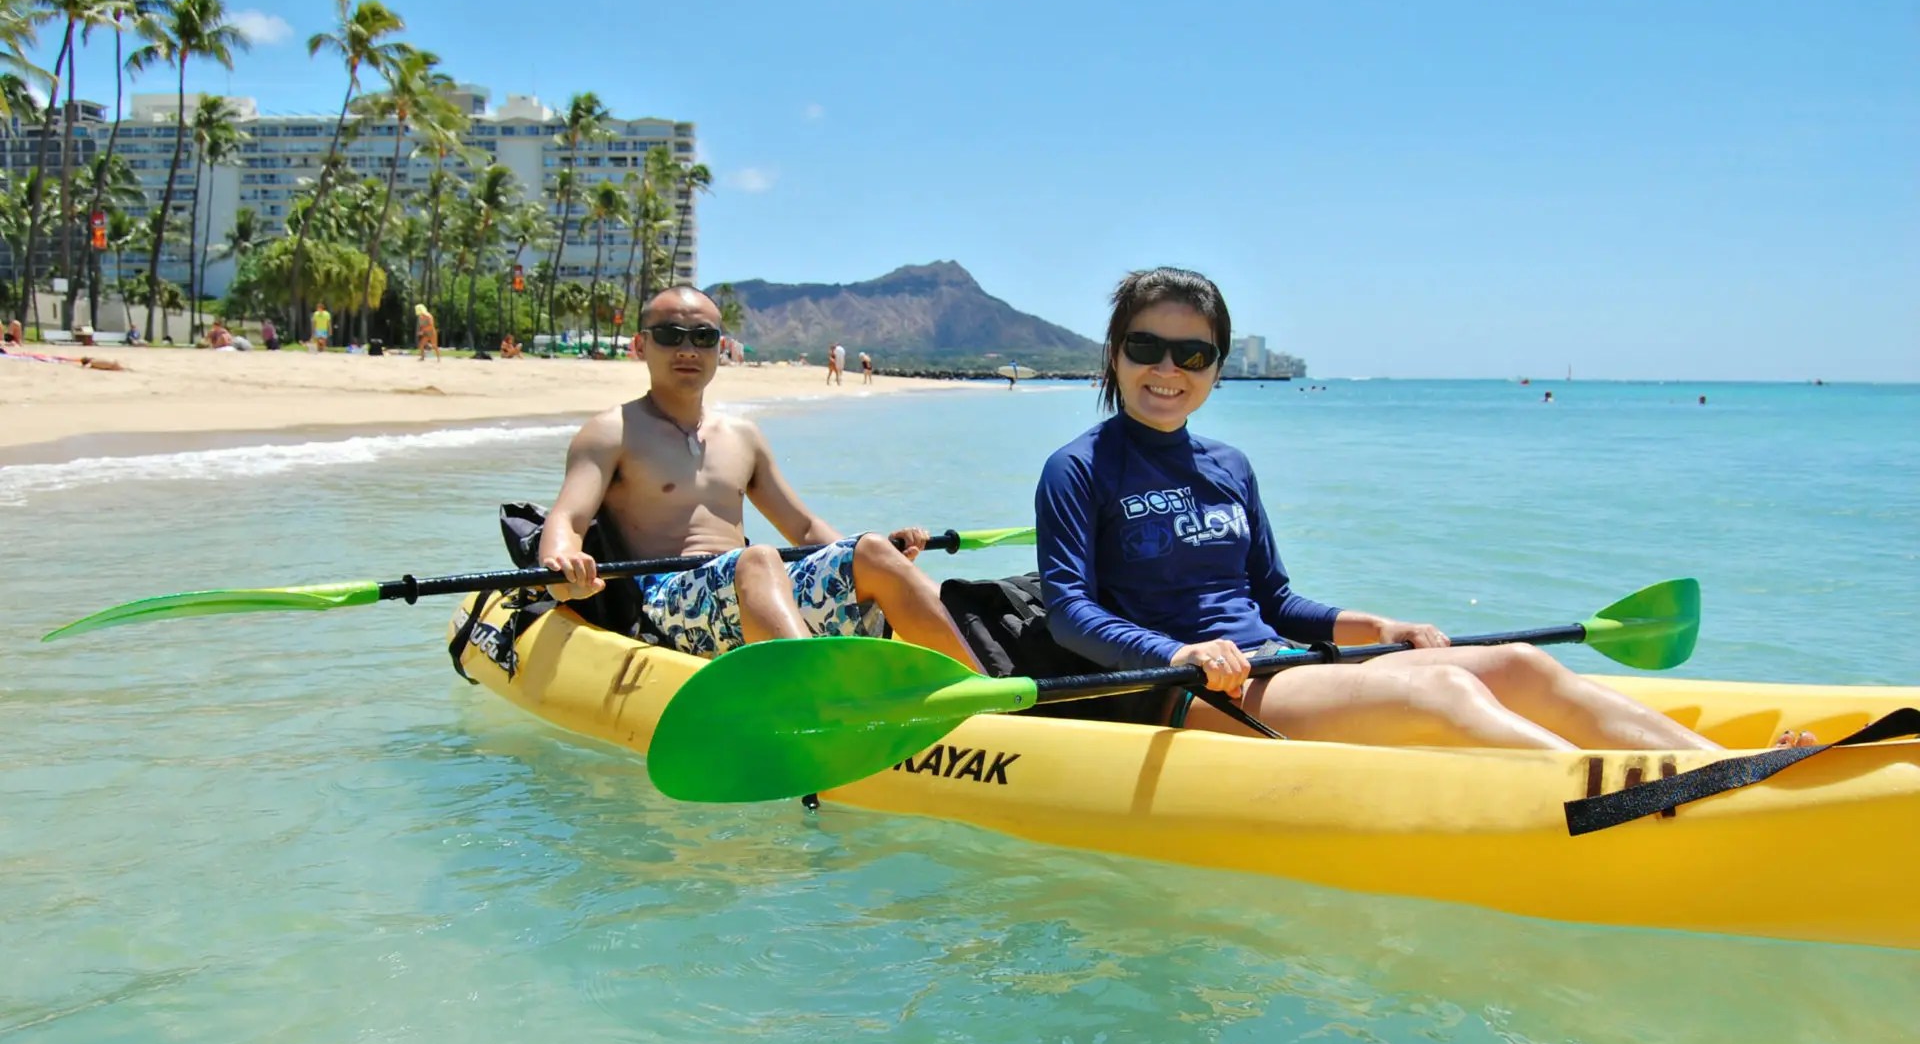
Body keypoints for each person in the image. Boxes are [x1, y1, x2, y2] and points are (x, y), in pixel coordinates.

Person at [1034, 267, 1735, 751]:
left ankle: (1722, 768)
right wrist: (1178, 652)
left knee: (1521, 665)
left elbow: (1272, 596)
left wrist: (1379, 624)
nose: (1168, 370)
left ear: (1218, 366)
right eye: (1146, 347)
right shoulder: (1079, 468)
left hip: (1283, 662)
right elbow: (1068, 611)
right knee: (1442, 699)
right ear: (1115, 354)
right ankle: (1617, 791)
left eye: (1192, 353)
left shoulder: (1230, 466)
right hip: (1196, 690)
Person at [540, 286, 983, 670]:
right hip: (668, 602)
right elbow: (569, 520)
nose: (688, 350)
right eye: (670, 336)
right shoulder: (612, 431)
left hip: (751, 589)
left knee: (867, 548)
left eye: (703, 337)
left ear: (720, 346)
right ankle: (811, 698)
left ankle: (987, 690)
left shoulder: (742, 436)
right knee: (758, 558)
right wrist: (563, 566)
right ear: (641, 345)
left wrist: (874, 557)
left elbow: (806, 529)